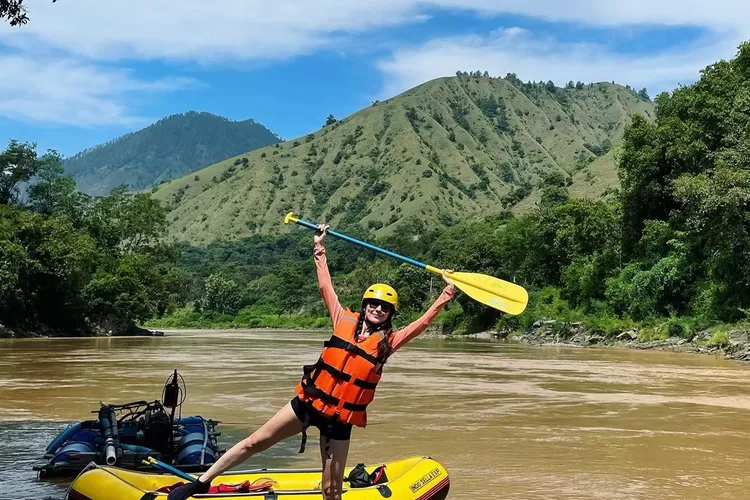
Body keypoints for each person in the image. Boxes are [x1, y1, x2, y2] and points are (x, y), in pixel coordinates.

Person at [168, 224, 456, 500]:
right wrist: (319, 247)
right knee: (254, 442)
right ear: (365, 304)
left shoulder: (389, 342)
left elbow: (422, 323)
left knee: (332, 491)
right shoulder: (342, 318)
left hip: (340, 421)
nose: (378, 309)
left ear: (390, 314)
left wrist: (446, 294)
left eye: (384, 307)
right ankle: (198, 484)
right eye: (373, 303)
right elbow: (325, 285)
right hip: (307, 405)